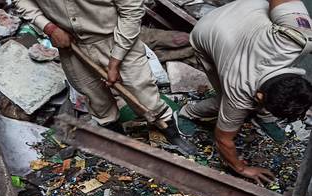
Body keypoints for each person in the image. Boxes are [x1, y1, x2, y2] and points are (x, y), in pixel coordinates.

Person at [14, 0, 196, 154]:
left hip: (116, 38)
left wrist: (115, 61)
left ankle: (170, 131)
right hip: (71, 46)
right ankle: (117, 140)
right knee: (95, 98)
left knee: (142, 93)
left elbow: (131, 12)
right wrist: (49, 27)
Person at [178, 0, 312, 184]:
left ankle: (264, 116)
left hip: (248, 11)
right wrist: (242, 168)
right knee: (222, 100)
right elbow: (223, 139)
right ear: (258, 96)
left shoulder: (296, 38)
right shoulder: (238, 94)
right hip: (207, 30)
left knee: (254, 104)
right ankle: (188, 112)